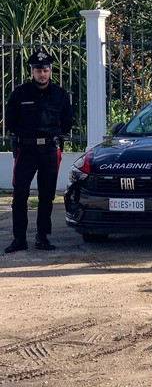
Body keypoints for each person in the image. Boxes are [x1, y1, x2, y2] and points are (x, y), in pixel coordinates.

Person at [5, 50, 73, 253]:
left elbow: (67, 123)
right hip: (26, 150)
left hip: (49, 151)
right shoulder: (20, 93)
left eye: (45, 70)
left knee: (46, 196)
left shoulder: (60, 95)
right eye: (38, 70)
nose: (42, 74)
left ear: (50, 71)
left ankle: (42, 237)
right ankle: (19, 239)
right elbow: (11, 121)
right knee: (20, 195)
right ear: (32, 71)